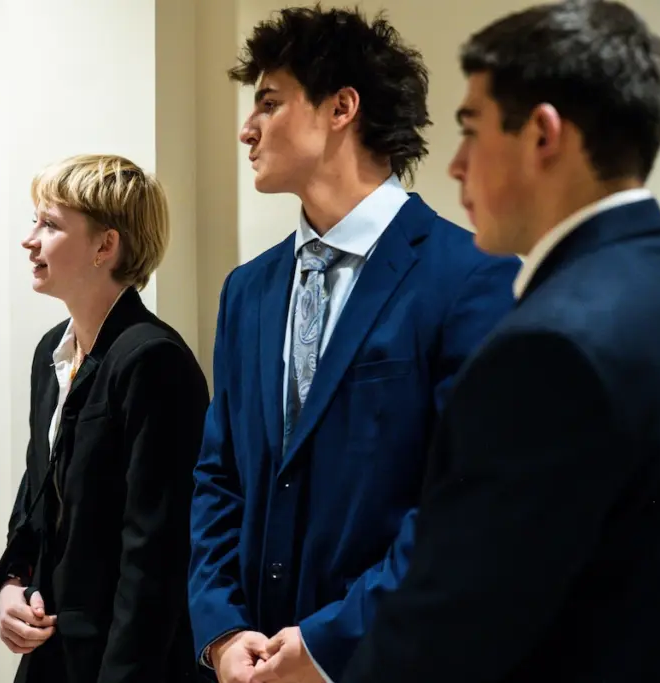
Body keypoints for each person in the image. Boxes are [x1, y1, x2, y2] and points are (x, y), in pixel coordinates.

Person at [187, 6, 522, 683]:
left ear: (342, 107)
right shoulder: (246, 291)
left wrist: (326, 643)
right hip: (248, 665)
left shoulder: (474, 277)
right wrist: (221, 628)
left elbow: (466, 505)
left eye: (270, 103)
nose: (246, 129)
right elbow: (218, 477)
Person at [340, 2, 660, 682]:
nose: (456, 166)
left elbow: (447, 630)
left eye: (471, 130)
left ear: (543, 134)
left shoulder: (548, 351)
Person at [0, 153, 210, 683]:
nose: (30, 239)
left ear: (105, 247)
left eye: (50, 224)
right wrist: (11, 586)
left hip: (124, 662)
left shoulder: (152, 359)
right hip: (52, 654)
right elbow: (36, 496)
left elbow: (155, 554)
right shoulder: (52, 353)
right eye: (34, 221)